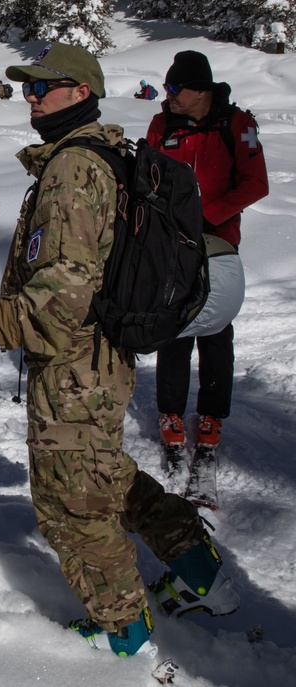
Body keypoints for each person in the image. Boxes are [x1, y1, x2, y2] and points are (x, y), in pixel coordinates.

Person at [0, 43, 239, 658]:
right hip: (97, 356)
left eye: (43, 86)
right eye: (27, 86)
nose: (30, 96)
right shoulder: (99, 156)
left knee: (71, 507)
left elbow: (60, 298)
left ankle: (123, 631)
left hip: (76, 361)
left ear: (81, 93)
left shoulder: (74, 169)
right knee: (104, 477)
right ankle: (200, 570)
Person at [147, 50, 268, 455]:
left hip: (218, 241)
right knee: (175, 323)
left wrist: (207, 217)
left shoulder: (236, 123)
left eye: (177, 88)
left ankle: (213, 413)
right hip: (172, 242)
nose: (170, 95)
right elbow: (147, 180)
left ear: (202, 91)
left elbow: (255, 183)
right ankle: (171, 412)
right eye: (167, 87)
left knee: (216, 325)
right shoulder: (162, 125)